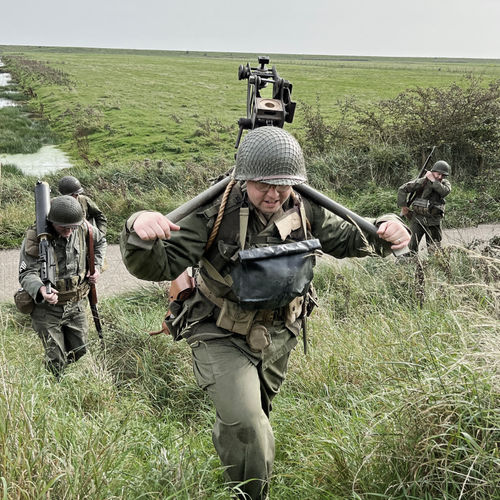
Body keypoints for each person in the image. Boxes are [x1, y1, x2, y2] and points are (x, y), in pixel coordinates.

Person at [120, 126, 410, 499]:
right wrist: (138, 227)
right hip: (219, 331)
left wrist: (388, 225)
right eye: (262, 184)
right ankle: (250, 493)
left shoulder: (304, 206)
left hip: (279, 334)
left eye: (283, 184)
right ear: (244, 178)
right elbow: (156, 266)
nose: (273, 193)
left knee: (256, 415)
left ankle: (243, 457)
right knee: (247, 423)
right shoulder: (216, 211)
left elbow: (354, 237)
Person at [18, 195, 107, 378]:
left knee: (80, 351)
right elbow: (26, 274)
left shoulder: (82, 227)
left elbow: (101, 242)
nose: (68, 232)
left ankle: (71, 380)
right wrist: (42, 289)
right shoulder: (36, 237)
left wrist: (96, 266)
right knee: (56, 359)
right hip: (47, 309)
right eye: (63, 227)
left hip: (76, 304)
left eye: (72, 227)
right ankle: (55, 391)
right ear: (52, 222)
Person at [397, 160, 451, 254]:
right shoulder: (422, 182)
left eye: (443, 175)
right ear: (432, 171)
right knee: (410, 248)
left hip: (434, 221)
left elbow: (444, 192)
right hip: (418, 219)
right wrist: (404, 207)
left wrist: (433, 180)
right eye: (438, 174)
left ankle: (433, 267)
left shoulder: (445, 184)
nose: (440, 177)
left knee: (435, 250)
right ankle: (411, 266)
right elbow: (402, 189)